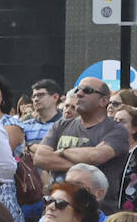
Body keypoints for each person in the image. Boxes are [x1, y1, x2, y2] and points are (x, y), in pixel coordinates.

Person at [33, 76, 128, 213]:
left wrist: (62, 151)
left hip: (95, 214)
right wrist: (86, 167)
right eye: (78, 89)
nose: (79, 94)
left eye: (87, 90)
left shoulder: (116, 129)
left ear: (104, 100)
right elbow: (40, 158)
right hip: (56, 209)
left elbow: (96, 156)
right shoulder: (62, 124)